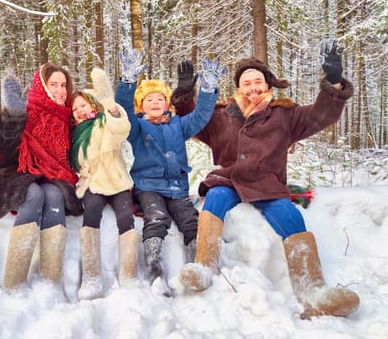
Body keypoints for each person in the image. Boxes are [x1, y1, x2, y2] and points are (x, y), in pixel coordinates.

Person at [172, 39, 360, 319]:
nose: (252, 87)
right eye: (246, 83)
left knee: (291, 218)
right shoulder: (220, 114)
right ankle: (204, 266)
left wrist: (333, 82)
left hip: (269, 185)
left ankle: (312, 290)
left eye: (257, 81)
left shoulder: (286, 115)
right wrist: (186, 95)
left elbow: (322, 115)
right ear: (238, 89)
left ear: (267, 85)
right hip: (228, 179)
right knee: (214, 199)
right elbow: (191, 121)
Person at [114, 48, 227, 291]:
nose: (155, 103)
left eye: (159, 98)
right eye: (149, 99)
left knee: (190, 220)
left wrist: (207, 90)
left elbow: (201, 116)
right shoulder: (137, 127)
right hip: (148, 187)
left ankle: (198, 267)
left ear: (167, 103)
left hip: (177, 188)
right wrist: (128, 81)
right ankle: (155, 271)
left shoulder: (179, 124)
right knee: (157, 218)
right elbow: (121, 110)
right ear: (140, 105)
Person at [0, 63, 82, 291]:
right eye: (53, 85)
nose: (60, 91)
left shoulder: (66, 117)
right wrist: (13, 116)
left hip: (53, 177)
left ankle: (50, 279)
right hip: (17, 173)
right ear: (42, 86)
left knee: (55, 195)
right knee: (34, 194)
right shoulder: (27, 110)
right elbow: (3, 146)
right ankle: (13, 282)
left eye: (63, 85)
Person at [69, 67, 139, 300]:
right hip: (93, 183)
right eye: (75, 108)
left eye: (83, 105)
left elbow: (122, 129)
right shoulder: (75, 134)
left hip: (116, 179)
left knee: (125, 217)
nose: (80, 110)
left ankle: (129, 274)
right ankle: (91, 276)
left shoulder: (104, 122)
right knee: (91, 215)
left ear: (93, 104)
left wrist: (111, 107)